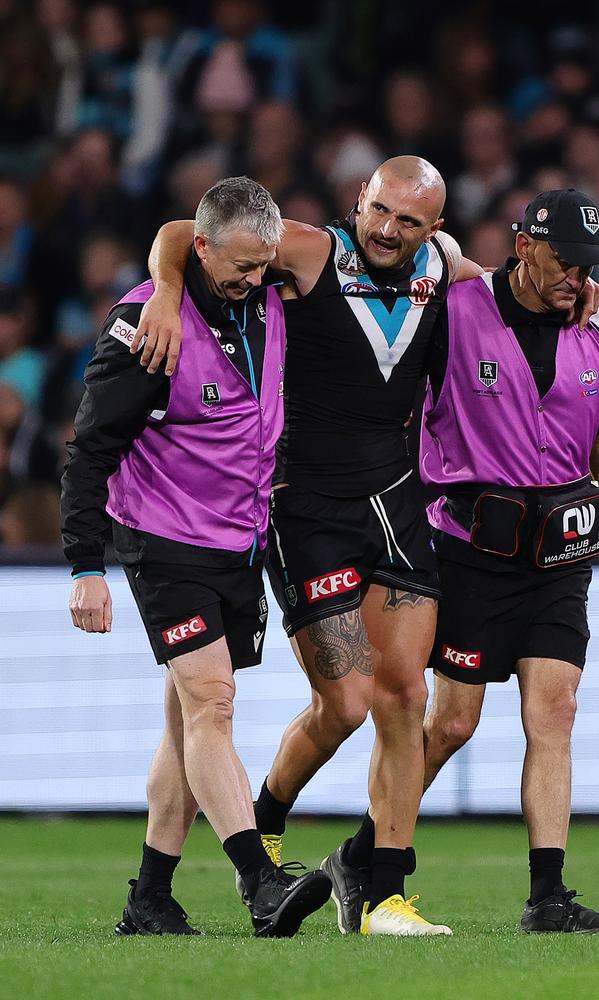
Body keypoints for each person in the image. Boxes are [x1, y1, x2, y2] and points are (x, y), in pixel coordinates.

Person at [134, 158, 599, 936]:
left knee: (405, 698)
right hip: (305, 508)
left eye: (409, 221)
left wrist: (572, 288)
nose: (389, 230)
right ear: (360, 198)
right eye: (380, 210)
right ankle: (267, 814)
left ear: (434, 229)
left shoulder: (443, 269)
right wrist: (168, 290)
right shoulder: (311, 250)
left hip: (396, 503)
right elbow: (187, 233)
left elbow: (502, 286)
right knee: (344, 703)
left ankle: (384, 893)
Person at [60, 176, 331, 939]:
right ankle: (260, 882)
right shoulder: (147, 327)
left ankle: (150, 898)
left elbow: (199, 235)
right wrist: (85, 565)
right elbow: (87, 454)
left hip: (239, 540)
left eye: (264, 266)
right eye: (240, 267)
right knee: (212, 700)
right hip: (164, 540)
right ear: (200, 248)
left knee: (187, 720)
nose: (254, 280)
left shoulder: (270, 294)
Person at [417, 189, 599, 934]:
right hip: (473, 550)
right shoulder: (454, 310)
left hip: (561, 551)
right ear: (524, 247)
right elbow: (421, 262)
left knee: (555, 710)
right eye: (565, 259)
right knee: (452, 724)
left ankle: (548, 898)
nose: (577, 276)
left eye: (588, 264)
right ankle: (370, 849)